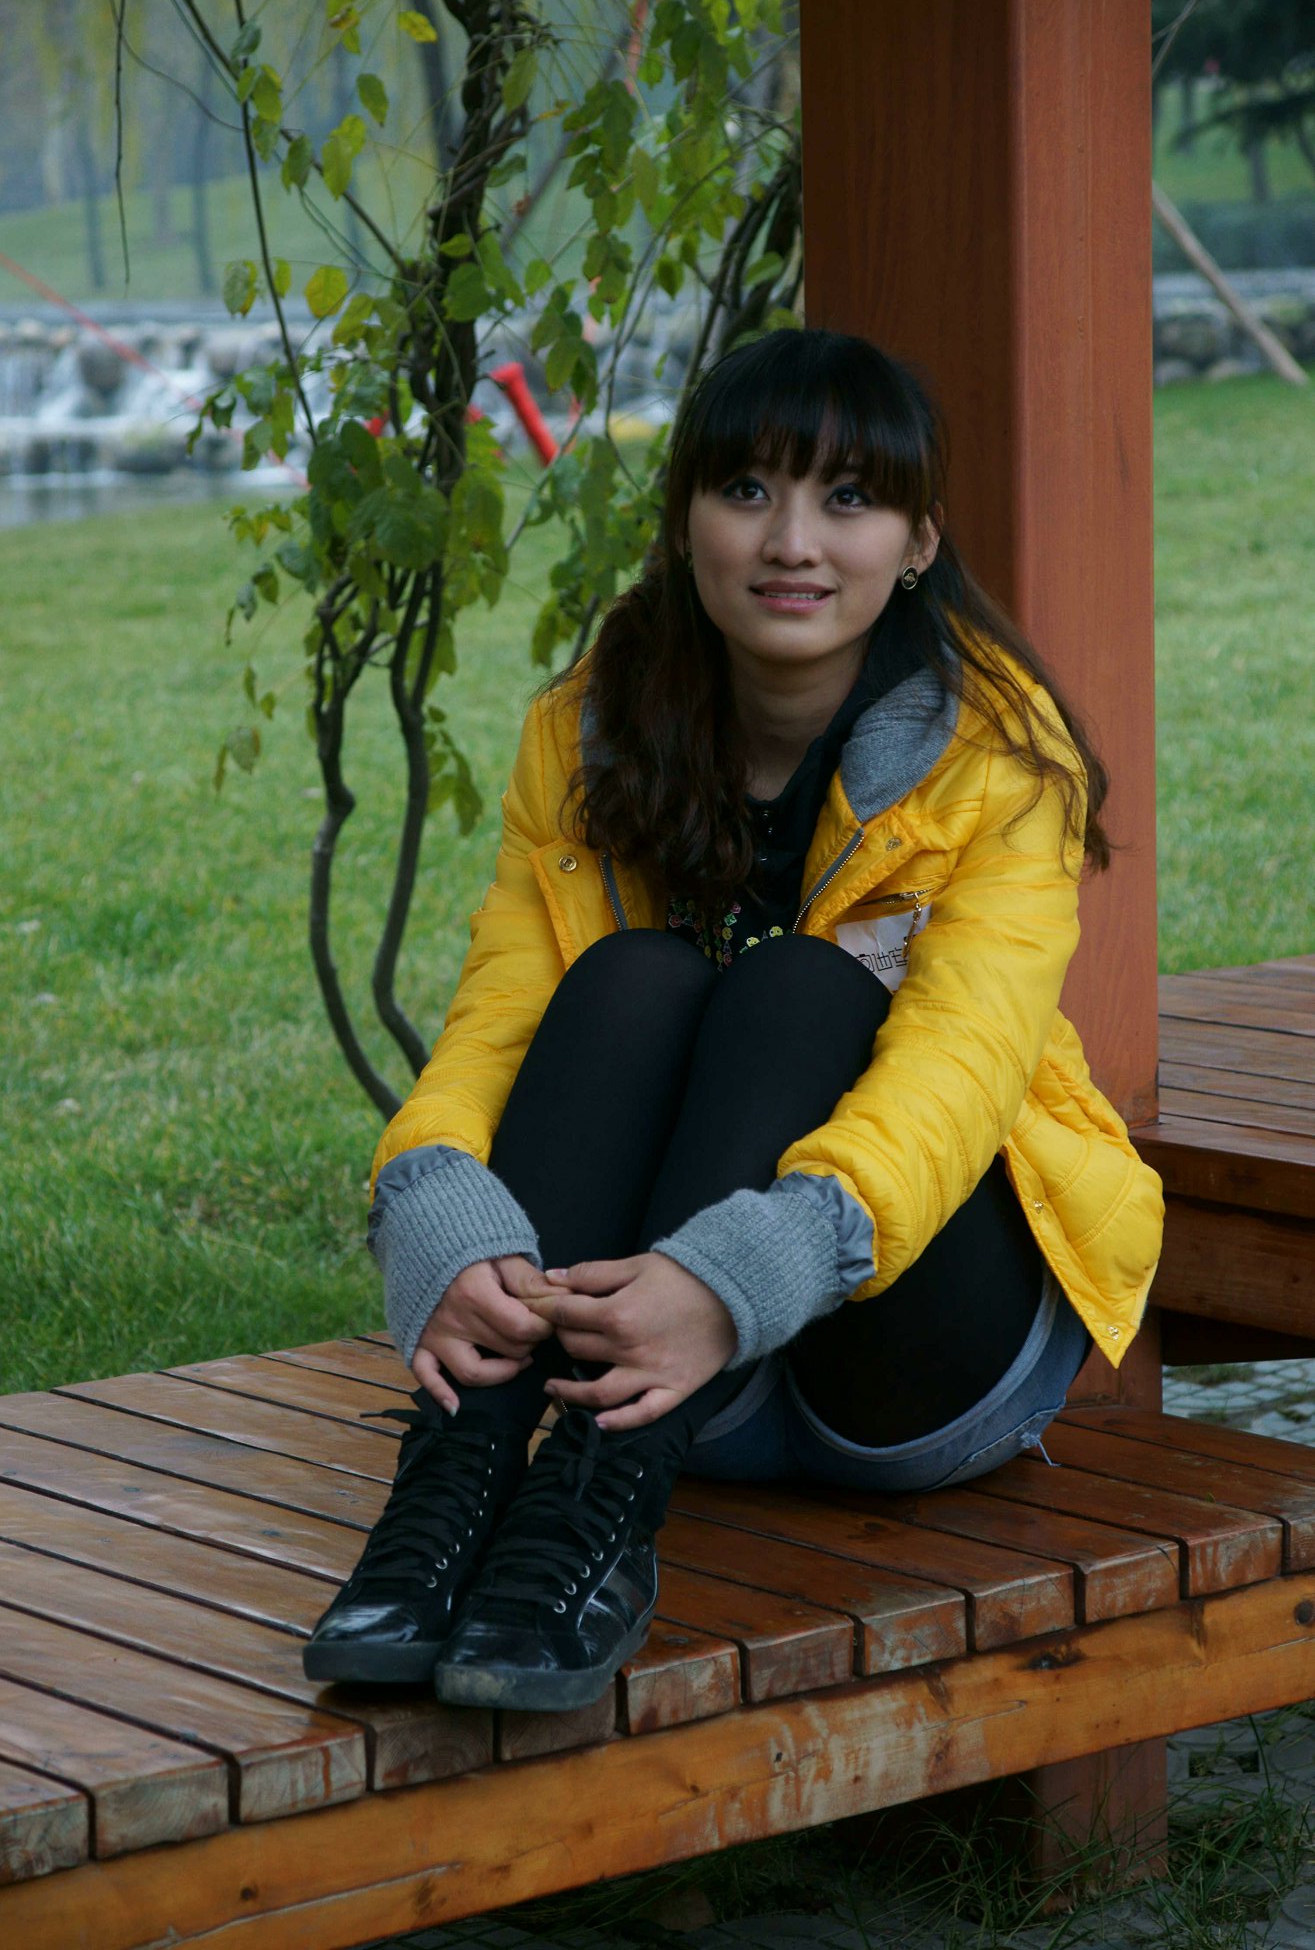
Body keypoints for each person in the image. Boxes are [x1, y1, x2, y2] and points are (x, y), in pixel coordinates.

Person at [303, 328, 1164, 1710]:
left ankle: (591, 1525)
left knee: (798, 986)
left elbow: (962, 1064)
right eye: (748, 490)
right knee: (626, 977)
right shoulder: (589, 732)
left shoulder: (996, 758)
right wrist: (434, 1198)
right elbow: (505, 1013)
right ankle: (455, 1485)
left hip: (909, 1356)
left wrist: (729, 1282)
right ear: (687, 515)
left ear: (918, 540)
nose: (792, 542)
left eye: (848, 498)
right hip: (669, 1368)